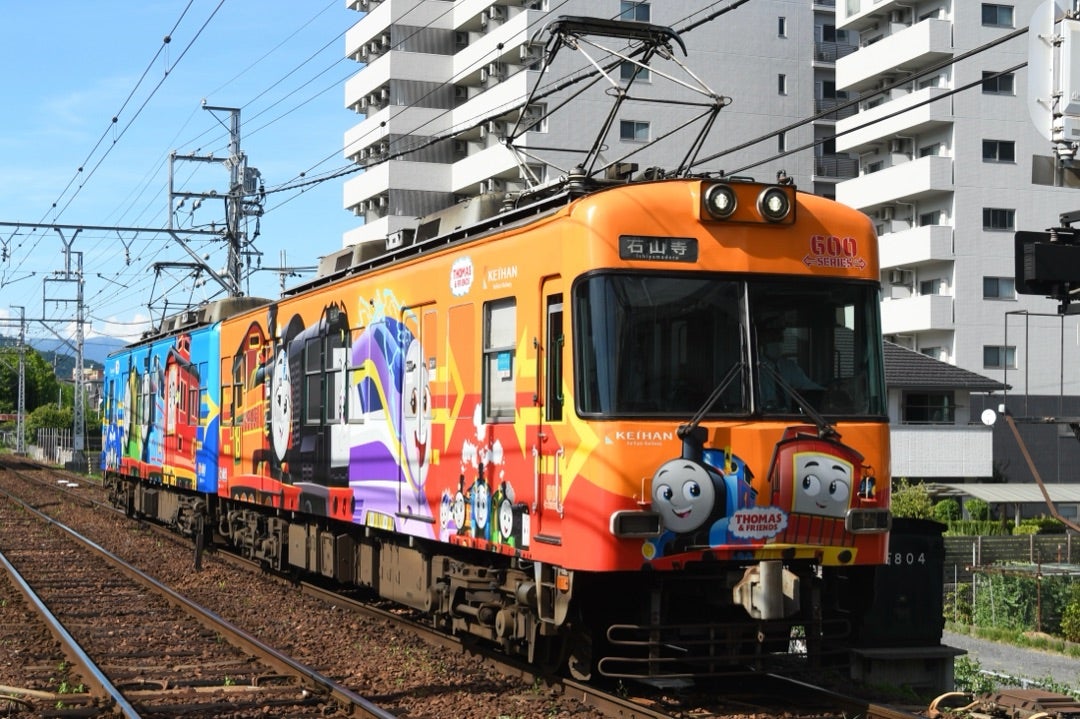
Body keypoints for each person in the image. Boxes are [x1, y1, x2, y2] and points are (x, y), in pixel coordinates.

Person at [757, 324, 821, 410]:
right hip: (763, 418)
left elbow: (807, 385)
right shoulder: (755, 368)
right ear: (763, 342)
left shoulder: (789, 366)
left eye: (780, 339)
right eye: (773, 339)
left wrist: (830, 392)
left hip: (788, 417)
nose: (778, 343)